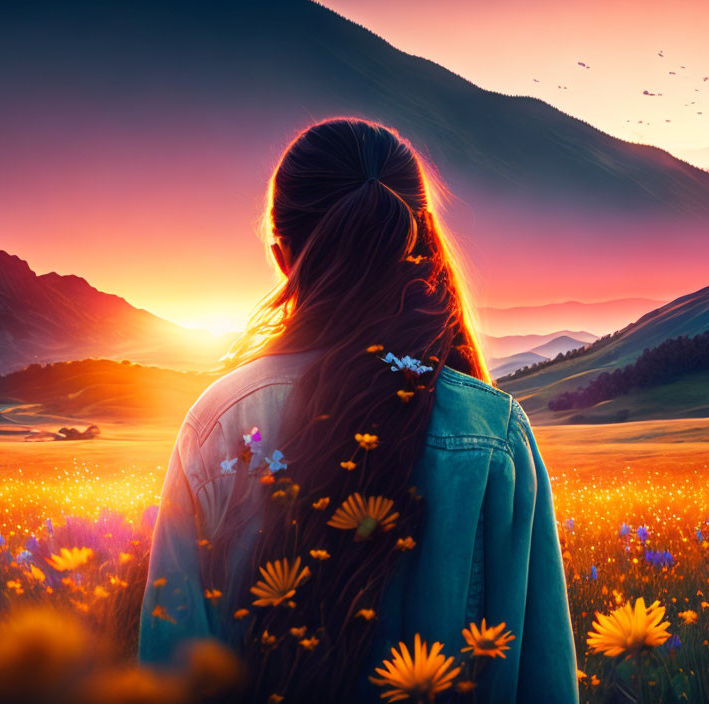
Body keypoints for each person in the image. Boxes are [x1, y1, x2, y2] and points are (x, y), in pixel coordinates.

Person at [139, 118, 578, 703]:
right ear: (419, 246)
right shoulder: (494, 436)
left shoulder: (218, 425)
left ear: (283, 257)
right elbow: (544, 685)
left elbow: (171, 670)